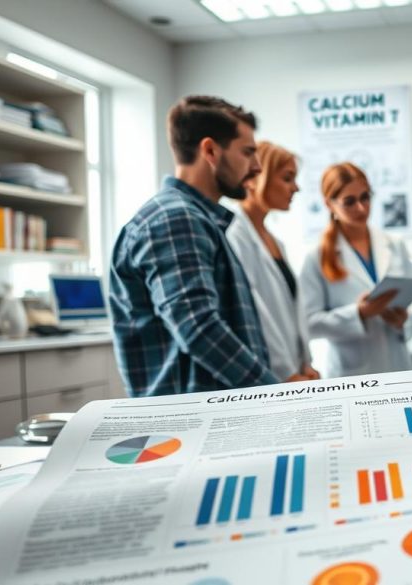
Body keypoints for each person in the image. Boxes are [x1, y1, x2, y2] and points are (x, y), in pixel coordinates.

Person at [110, 96, 312, 397]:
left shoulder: (200, 220)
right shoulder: (175, 218)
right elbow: (199, 329)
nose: (256, 166)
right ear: (210, 151)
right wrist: (275, 394)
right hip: (189, 424)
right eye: (247, 153)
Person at [299, 162, 412, 377]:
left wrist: (406, 317)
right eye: (349, 202)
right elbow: (309, 323)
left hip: (398, 364)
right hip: (351, 372)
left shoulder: (394, 244)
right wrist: (358, 314)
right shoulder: (317, 258)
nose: (361, 208)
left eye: (365, 197)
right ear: (329, 204)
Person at [226, 141, 320, 382]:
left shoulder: (276, 242)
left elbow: (292, 312)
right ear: (255, 178)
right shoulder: (235, 236)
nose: (296, 188)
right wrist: (285, 372)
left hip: (295, 371)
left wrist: (305, 363)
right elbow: (256, 312)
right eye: (287, 178)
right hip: (269, 373)